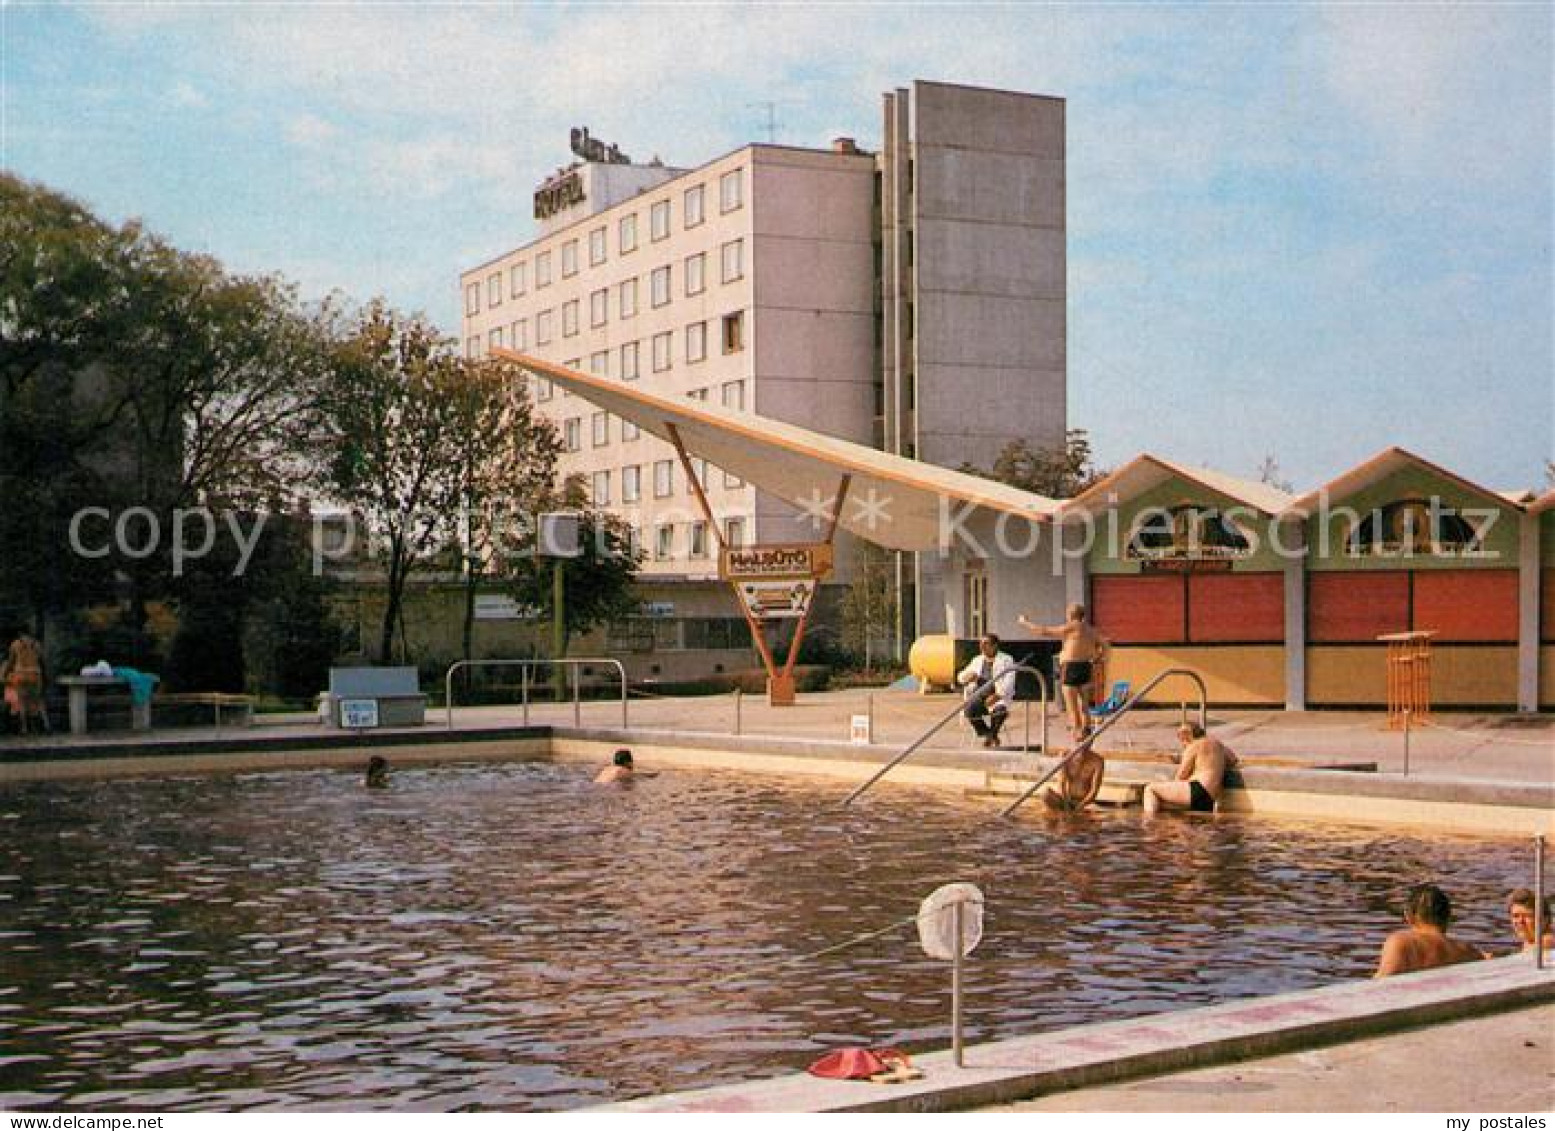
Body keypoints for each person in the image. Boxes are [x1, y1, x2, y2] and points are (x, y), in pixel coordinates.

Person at [1018, 604, 1106, 740]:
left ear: (1071, 615)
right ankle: (1087, 729)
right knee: (1084, 704)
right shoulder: (1091, 630)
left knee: (1071, 704)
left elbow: (1043, 631)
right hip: (1086, 666)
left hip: (1071, 667)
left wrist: (1025, 622)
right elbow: (1104, 645)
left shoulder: (1072, 627)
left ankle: (1077, 733)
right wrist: (1097, 659)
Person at [1374, 883, 1488, 977]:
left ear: (1408, 916)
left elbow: (1380, 986)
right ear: (1448, 917)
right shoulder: (1469, 952)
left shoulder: (1401, 943)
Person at [1143, 722, 1238, 815]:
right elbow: (1233, 760)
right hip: (1211, 798)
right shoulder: (1218, 744)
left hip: (1197, 789)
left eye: (1180, 738)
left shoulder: (1193, 746)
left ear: (1186, 737)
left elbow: (1181, 775)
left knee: (1150, 789)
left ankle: (1149, 820)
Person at [956, 635, 1018, 749]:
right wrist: (966, 677)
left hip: (997, 695)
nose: (982, 647)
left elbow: (1009, 682)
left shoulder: (1006, 659)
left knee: (1000, 711)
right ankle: (990, 734)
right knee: (969, 710)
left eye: (986, 644)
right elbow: (960, 676)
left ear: (995, 646)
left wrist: (997, 696)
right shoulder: (977, 660)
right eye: (981, 644)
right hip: (979, 695)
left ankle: (991, 735)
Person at [1, 630, 49, 736]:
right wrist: (45, 676)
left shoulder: (15, 644)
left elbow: (10, 661)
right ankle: (46, 726)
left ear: (20, 635)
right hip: (35, 675)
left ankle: (24, 728)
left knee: (22, 702)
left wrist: (5, 674)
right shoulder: (37, 645)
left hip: (20, 674)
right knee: (39, 701)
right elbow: (42, 662)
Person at [1039, 745, 1106, 812]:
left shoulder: (1098, 761)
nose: (1082, 744)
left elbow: (1094, 791)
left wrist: (1081, 805)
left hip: (1084, 802)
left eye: (1084, 741)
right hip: (1065, 799)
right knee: (1045, 793)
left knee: (1098, 811)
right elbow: (1061, 784)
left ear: (1090, 742)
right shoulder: (1066, 756)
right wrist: (1066, 805)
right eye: (1079, 741)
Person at [1507, 888, 1554, 955]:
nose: (1520, 921)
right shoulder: (1531, 941)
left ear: (1545, 919)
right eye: (1515, 916)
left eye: (1527, 916)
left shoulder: (1547, 941)